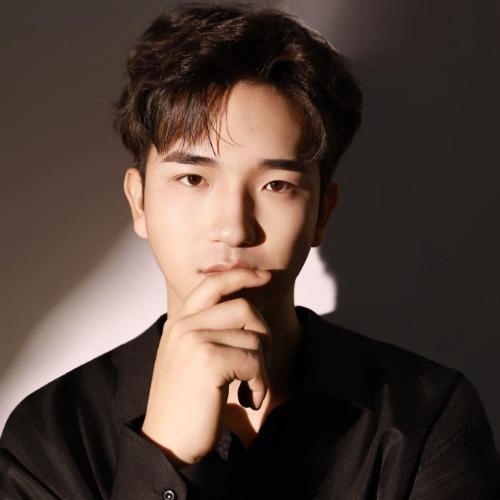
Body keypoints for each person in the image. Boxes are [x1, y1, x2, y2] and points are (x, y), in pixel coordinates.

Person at [1, 2, 498, 499]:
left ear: (321, 213)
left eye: (277, 185)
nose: (234, 229)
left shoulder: (425, 416)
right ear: (140, 202)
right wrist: (165, 452)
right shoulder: (52, 436)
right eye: (193, 178)